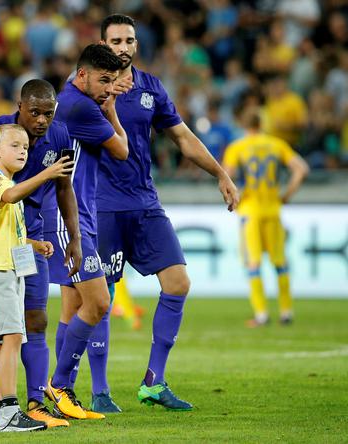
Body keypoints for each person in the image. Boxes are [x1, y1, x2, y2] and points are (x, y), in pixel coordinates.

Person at [97, 14, 239, 410]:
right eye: (115, 41)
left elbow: (181, 137)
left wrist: (220, 172)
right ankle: (98, 391)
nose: (123, 47)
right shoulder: (84, 87)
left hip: (145, 202)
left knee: (177, 283)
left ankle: (154, 382)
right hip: (102, 205)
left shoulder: (150, 87)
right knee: (99, 301)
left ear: (137, 45)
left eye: (129, 40)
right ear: (102, 45)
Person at [0, 79, 81, 428]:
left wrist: (73, 237)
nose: (41, 120)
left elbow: (65, 188)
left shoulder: (60, 136)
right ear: (19, 106)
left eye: (48, 114)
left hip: (25, 234)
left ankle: (35, 402)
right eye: (34, 112)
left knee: (32, 320)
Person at [42, 43, 129, 420]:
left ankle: (63, 392)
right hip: (69, 218)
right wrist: (112, 112)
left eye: (113, 81)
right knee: (98, 303)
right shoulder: (83, 107)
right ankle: (59, 385)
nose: (109, 88)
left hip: (79, 213)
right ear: (83, 76)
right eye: (104, 80)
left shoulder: (70, 95)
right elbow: (123, 150)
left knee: (73, 307)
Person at [0, 123, 71, 432]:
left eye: (26, 147)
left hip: (9, 269)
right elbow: (13, 195)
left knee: (6, 342)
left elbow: (6, 233)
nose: (23, 151)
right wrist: (47, 173)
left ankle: (5, 413)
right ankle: (8, 412)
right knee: (11, 339)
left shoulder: (6, 184)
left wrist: (33, 244)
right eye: (16, 145)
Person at [222, 108, 308, 327]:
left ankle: (261, 314)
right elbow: (301, 169)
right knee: (280, 262)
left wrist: (236, 195)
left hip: (250, 211)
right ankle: (286, 312)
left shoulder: (237, 147)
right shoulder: (276, 144)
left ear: (243, 125)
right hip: (273, 209)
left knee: (253, 263)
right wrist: (287, 194)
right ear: (261, 124)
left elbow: (226, 175)